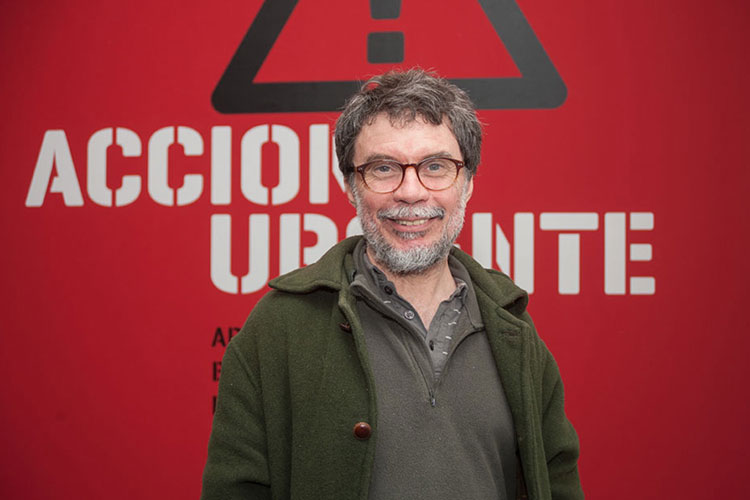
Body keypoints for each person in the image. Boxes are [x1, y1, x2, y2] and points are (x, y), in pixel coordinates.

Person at [201, 69, 583, 500]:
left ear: (468, 184)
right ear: (350, 186)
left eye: (436, 167)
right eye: (383, 168)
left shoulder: (514, 330)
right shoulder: (278, 330)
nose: (411, 192)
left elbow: (558, 481)